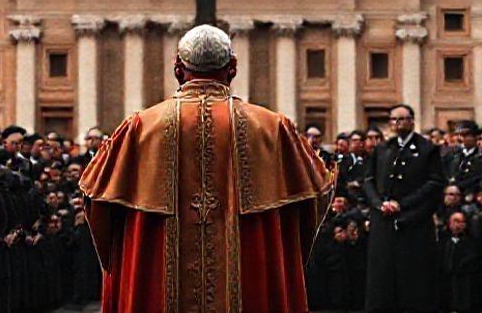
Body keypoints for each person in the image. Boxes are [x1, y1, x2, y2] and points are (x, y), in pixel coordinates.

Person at [80, 24, 334, 311]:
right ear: (233, 68)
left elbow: (97, 202)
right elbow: (315, 196)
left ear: (177, 69)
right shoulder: (273, 129)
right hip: (252, 285)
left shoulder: (140, 128)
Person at [363, 103, 446, 313]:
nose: (396, 123)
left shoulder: (427, 149)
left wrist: (403, 204)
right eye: (393, 120)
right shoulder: (383, 149)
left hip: (413, 222)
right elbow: (368, 180)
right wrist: (378, 203)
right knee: (382, 281)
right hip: (384, 220)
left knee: (413, 281)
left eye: (401, 119)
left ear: (411, 121)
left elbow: (435, 183)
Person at [438, 211, 481, 313]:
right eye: (455, 221)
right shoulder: (443, 241)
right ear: (449, 223)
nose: (458, 225)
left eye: (462, 222)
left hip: (464, 285)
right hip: (446, 285)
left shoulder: (471, 242)